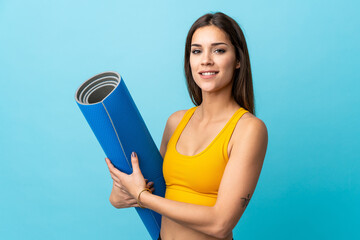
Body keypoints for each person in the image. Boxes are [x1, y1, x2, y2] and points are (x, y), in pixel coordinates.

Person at [105, 12, 268, 240]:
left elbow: (220, 224)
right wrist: (122, 190)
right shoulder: (176, 121)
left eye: (219, 50)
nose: (206, 60)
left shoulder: (249, 130)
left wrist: (142, 196)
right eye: (197, 50)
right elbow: (146, 192)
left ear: (238, 59)